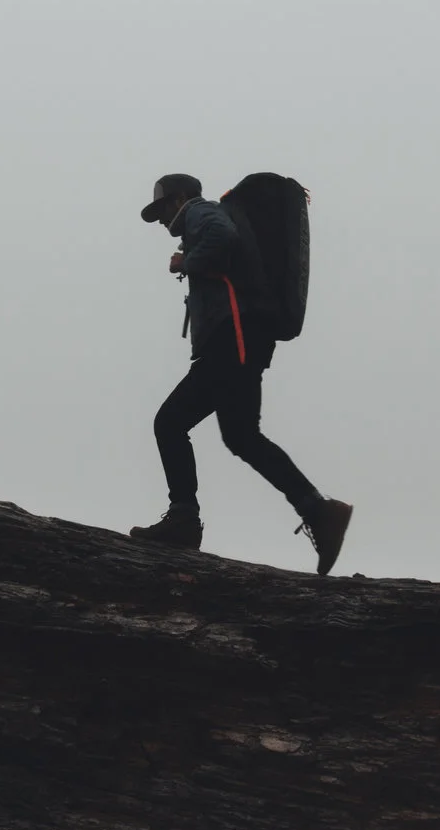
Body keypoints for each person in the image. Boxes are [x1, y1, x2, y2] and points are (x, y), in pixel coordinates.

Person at [129, 173, 355, 574]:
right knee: (241, 436)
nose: (161, 220)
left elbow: (223, 239)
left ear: (179, 198)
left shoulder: (200, 212)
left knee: (170, 422)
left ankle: (183, 519)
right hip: (243, 340)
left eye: (162, 208)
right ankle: (319, 512)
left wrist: (188, 262)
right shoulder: (203, 216)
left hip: (231, 340)